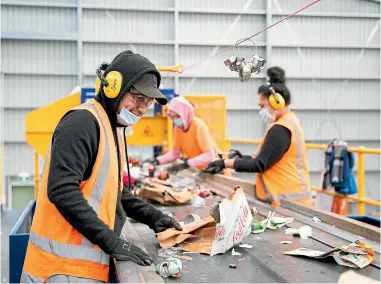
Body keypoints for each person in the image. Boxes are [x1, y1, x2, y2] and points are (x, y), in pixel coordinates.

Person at [21, 50, 182, 283]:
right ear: (113, 88)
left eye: (148, 102)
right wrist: (111, 240)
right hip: (59, 270)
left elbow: (110, 191)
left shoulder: (109, 127)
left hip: (81, 270)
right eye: (139, 98)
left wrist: (152, 216)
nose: (143, 108)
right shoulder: (82, 123)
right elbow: (61, 190)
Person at [205, 66, 313, 207]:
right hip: (290, 201)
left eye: (262, 106)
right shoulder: (289, 122)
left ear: (277, 102)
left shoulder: (281, 129)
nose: (260, 111)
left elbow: (260, 164)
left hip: (289, 204)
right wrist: (242, 159)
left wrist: (224, 164)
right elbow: (269, 160)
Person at [154, 96, 219, 174]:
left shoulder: (198, 125)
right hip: (201, 171)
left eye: (177, 116)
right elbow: (174, 154)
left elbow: (209, 155)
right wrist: (157, 161)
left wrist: (186, 164)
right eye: (173, 117)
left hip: (215, 169)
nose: (175, 120)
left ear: (185, 113)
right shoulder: (178, 129)